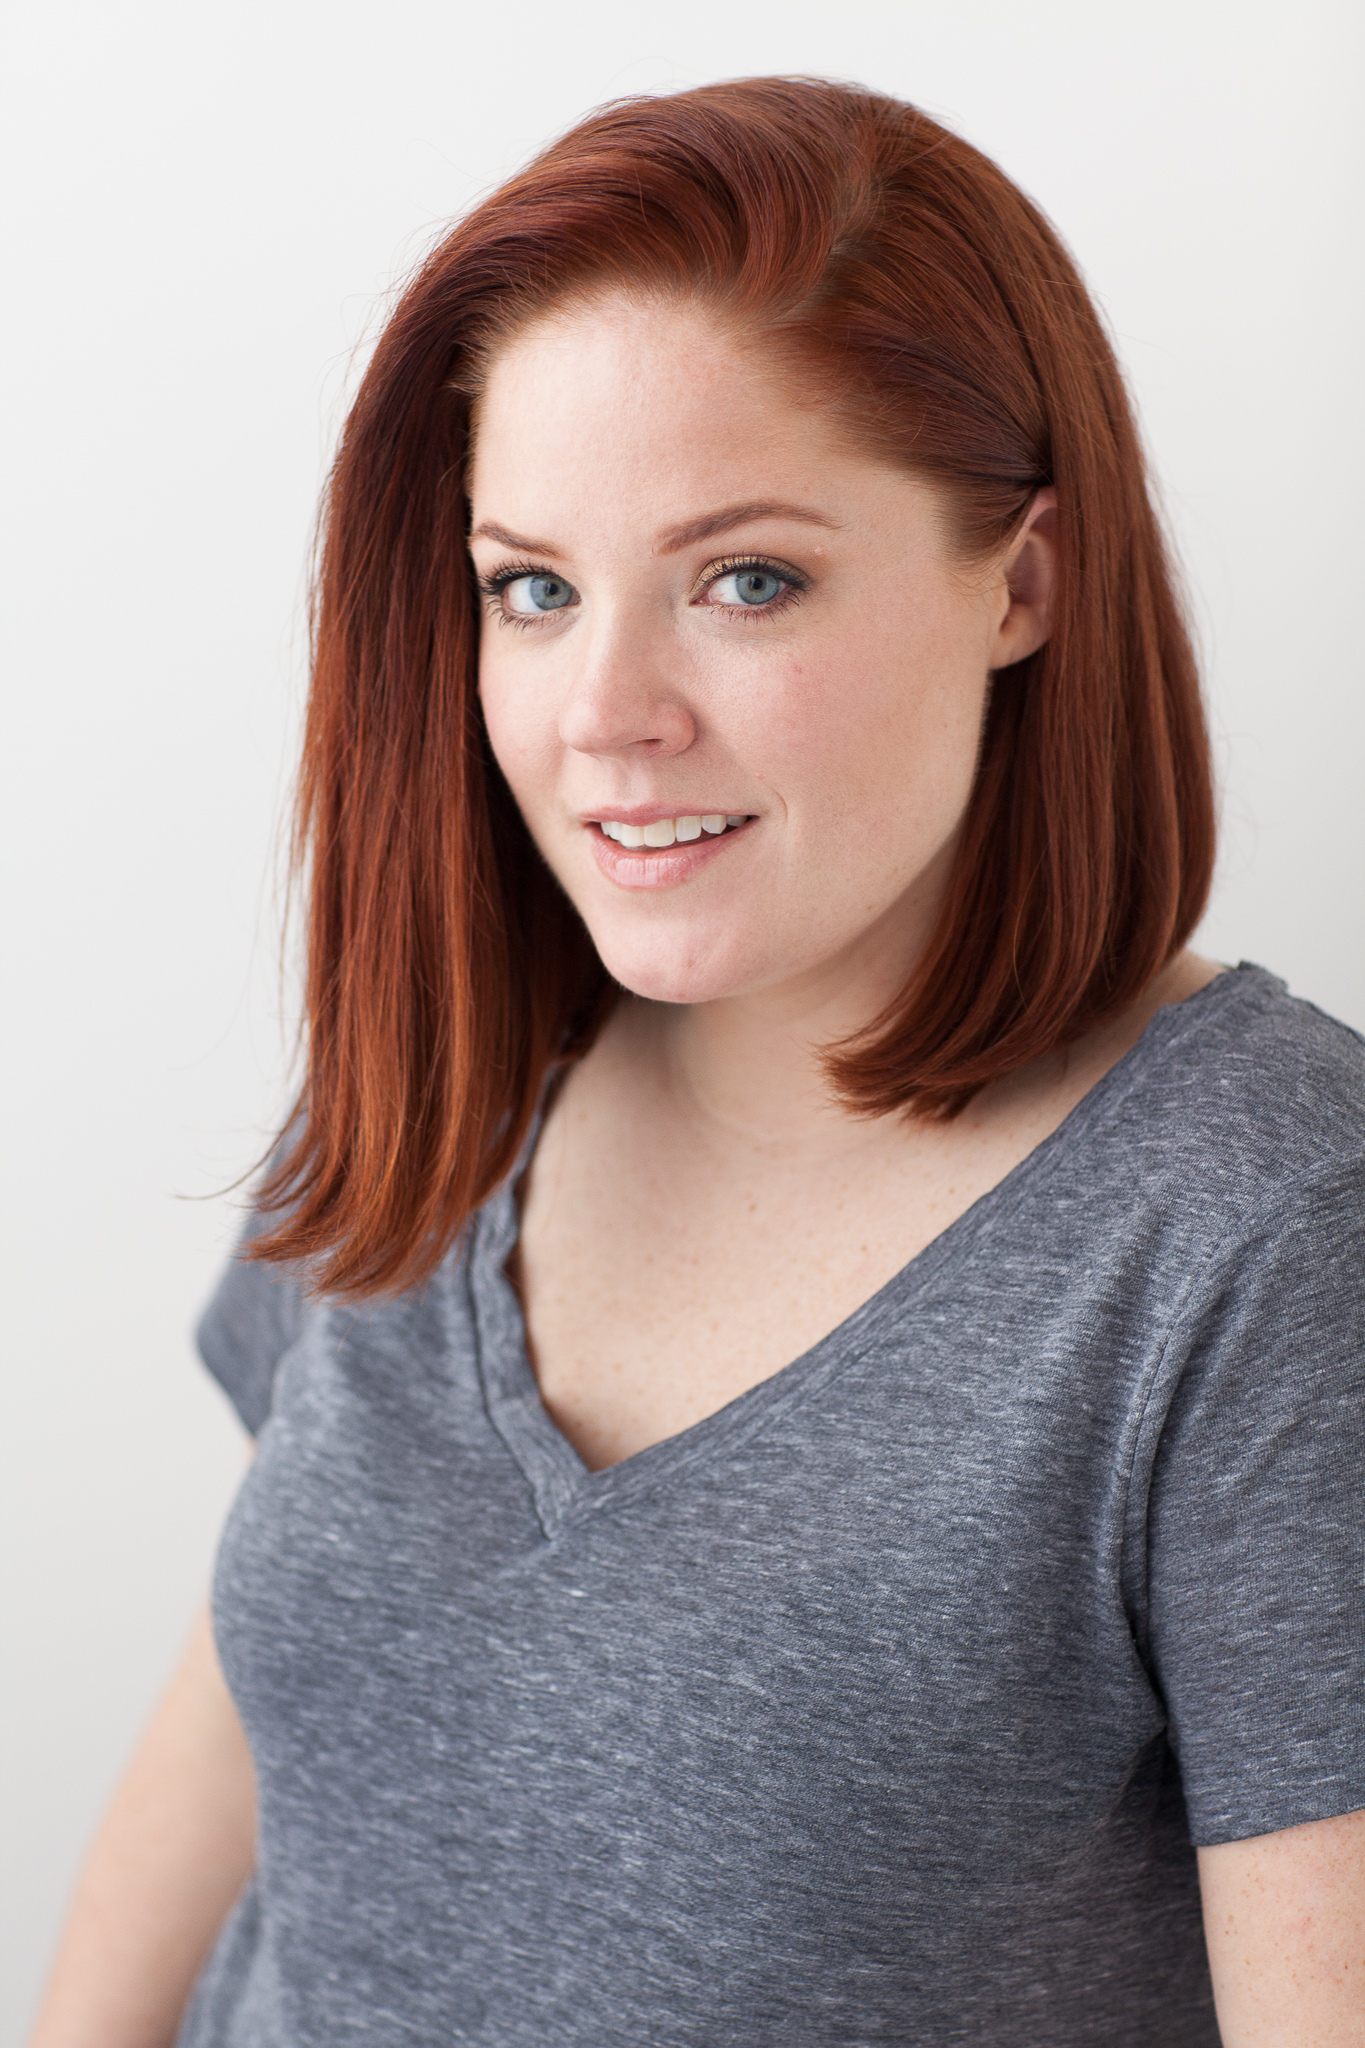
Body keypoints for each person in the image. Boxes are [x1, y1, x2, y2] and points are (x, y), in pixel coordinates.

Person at [30, 77, 1364, 2048]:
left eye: (745, 579)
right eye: (532, 588)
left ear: (1021, 583)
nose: (605, 713)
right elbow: (263, 1700)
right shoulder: (457, 1049)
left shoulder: (1267, 1228)